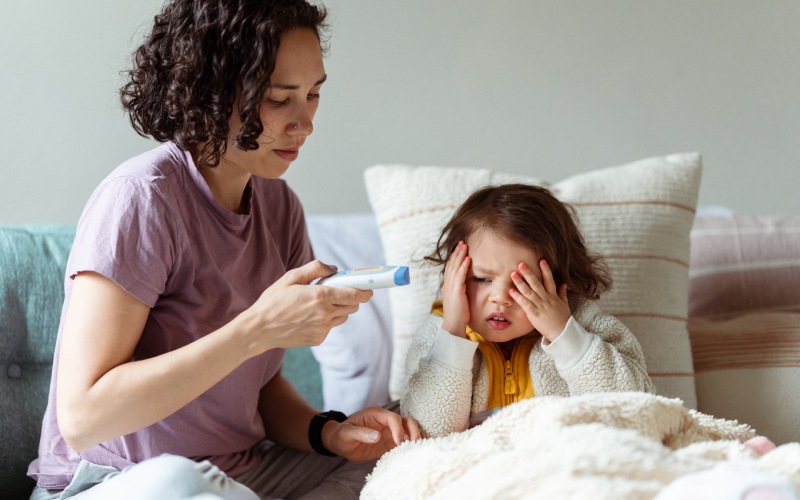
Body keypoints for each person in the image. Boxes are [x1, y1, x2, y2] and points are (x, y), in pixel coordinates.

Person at [27, 0, 420, 498]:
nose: (304, 124)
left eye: (313, 94)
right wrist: (255, 330)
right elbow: (84, 419)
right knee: (180, 482)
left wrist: (329, 433)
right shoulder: (142, 199)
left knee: (405, 452)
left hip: (242, 475)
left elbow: (258, 389)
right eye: (279, 99)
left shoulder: (279, 207)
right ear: (210, 92)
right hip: (120, 479)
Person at [400, 183, 656, 438]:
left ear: (558, 280)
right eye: (481, 279)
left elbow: (634, 412)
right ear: (453, 277)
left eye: (523, 283)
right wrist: (453, 332)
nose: (500, 298)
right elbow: (427, 434)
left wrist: (564, 335)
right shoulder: (437, 335)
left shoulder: (587, 325)